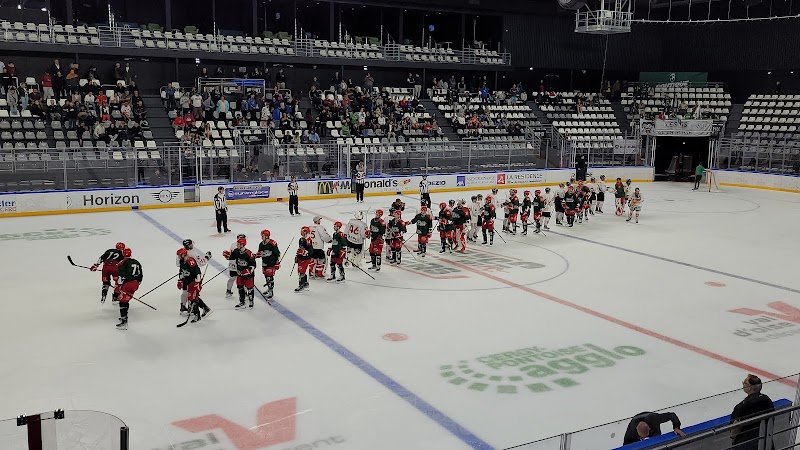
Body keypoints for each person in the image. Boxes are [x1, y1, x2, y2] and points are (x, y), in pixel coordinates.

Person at [730, 374, 775, 450]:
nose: (743, 385)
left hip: (746, 444)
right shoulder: (766, 399)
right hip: (765, 441)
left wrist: (733, 437)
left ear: (749, 387)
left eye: (744, 383)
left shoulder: (742, 406)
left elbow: (735, 430)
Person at [176, 239, 211, 315]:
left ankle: (183, 306)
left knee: (186, 291)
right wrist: (207, 257)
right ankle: (190, 308)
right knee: (191, 293)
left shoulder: (180, 254)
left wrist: (182, 275)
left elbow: (178, 264)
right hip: (191, 275)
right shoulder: (193, 253)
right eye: (191, 244)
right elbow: (202, 263)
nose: (192, 246)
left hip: (185, 274)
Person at [223, 237, 257, 309]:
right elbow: (231, 257)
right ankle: (242, 302)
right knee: (240, 287)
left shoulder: (249, 253)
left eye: (238, 244)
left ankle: (251, 301)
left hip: (249, 276)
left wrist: (247, 271)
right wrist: (227, 256)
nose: (237, 245)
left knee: (250, 288)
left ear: (242, 245)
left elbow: (253, 265)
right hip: (240, 274)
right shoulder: (236, 251)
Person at [114, 248, 142, 330]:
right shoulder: (137, 262)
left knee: (122, 301)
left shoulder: (122, 262)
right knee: (125, 300)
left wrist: (119, 285)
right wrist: (137, 283)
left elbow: (121, 276)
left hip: (127, 284)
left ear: (123, 254)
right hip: (135, 284)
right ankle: (124, 317)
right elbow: (140, 275)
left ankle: (124, 322)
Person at [256, 229, 280, 299]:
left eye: (262, 236)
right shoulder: (261, 244)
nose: (261, 237)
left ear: (266, 236)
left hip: (271, 263)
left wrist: (277, 262)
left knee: (270, 277)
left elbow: (277, 253)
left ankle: (271, 291)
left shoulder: (272, 243)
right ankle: (269, 288)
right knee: (266, 276)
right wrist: (257, 255)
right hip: (264, 263)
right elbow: (259, 253)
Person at [225, 233, 246, 298]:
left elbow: (230, 255)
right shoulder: (239, 246)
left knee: (232, 278)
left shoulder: (233, 244)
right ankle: (245, 293)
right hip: (238, 265)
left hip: (232, 265)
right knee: (243, 279)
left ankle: (228, 291)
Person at [294, 226, 314, 292]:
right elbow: (300, 249)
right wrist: (297, 256)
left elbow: (311, 251)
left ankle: (301, 285)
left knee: (301, 272)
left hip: (305, 258)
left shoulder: (308, 240)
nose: (301, 232)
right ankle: (305, 283)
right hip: (301, 258)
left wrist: (304, 252)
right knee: (300, 271)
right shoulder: (301, 239)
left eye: (302, 231)